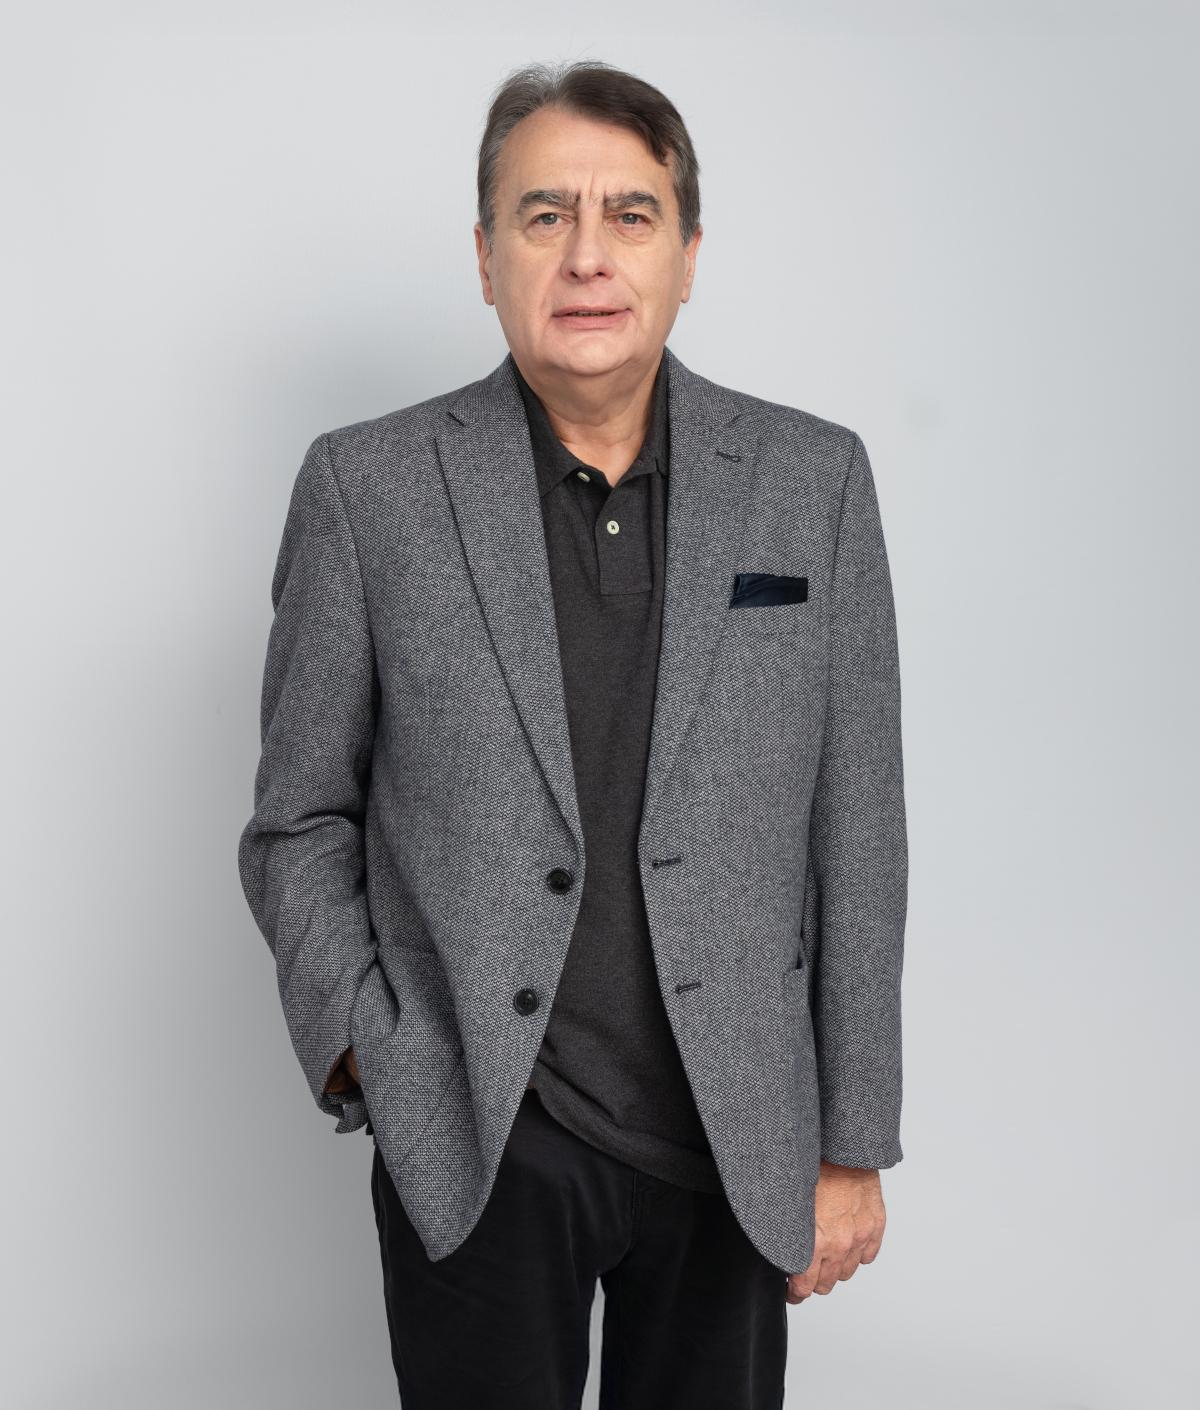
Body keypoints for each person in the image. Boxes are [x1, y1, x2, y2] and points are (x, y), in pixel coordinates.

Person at [238, 57, 908, 1410]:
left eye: (630, 215)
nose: (588, 255)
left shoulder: (813, 480)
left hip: (734, 1135)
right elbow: (297, 818)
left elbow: (860, 830)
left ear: (689, 254)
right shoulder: (369, 488)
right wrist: (377, 1052)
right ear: (487, 258)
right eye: (545, 216)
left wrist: (852, 1139)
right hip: (483, 1131)